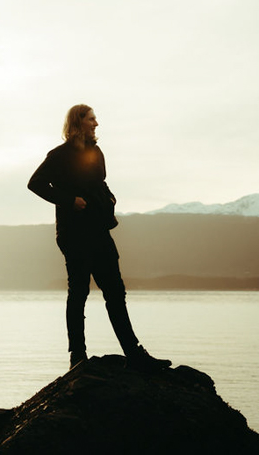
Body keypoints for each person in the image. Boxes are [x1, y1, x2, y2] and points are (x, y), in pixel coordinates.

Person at [28, 104, 171, 371]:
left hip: (98, 230)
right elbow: (35, 183)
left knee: (115, 292)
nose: (96, 123)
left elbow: (98, 181)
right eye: (91, 119)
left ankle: (134, 354)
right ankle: (77, 357)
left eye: (95, 119)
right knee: (79, 292)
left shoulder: (96, 151)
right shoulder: (58, 155)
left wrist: (109, 196)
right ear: (78, 122)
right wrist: (69, 200)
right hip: (73, 233)